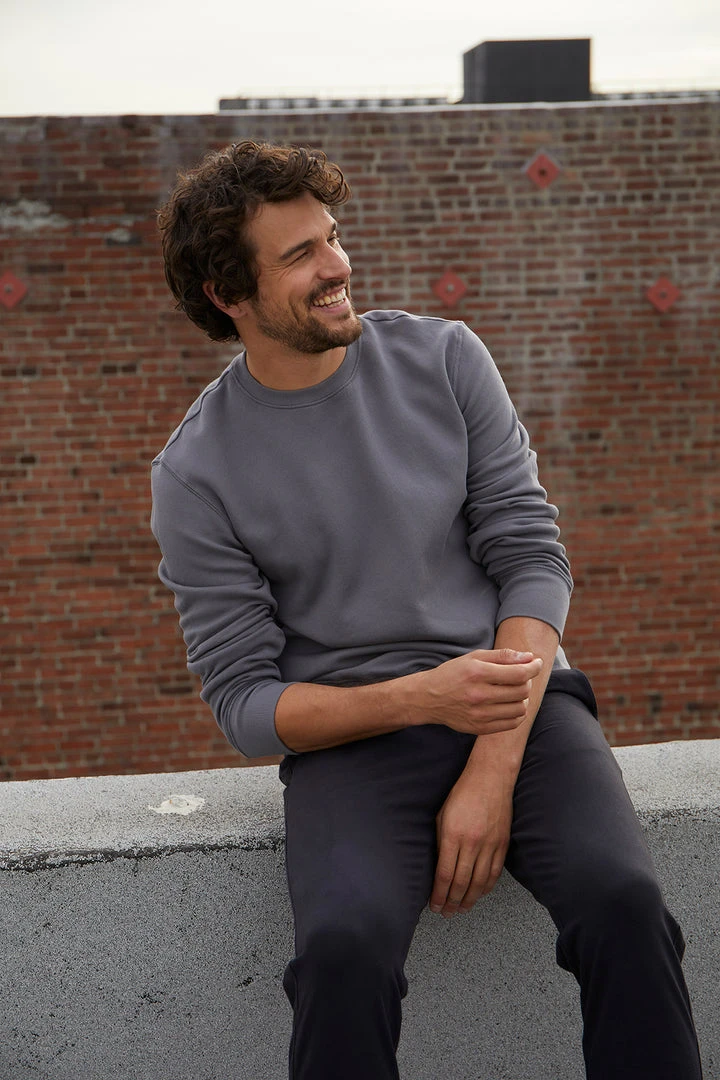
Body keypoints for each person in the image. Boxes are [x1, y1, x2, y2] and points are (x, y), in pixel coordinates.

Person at [152, 140, 702, 1080]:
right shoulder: (195, 472)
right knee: (343, 951)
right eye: (300, 255)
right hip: (355, 743)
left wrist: (490, 764)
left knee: (624, 903)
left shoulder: (444, 357)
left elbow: (531, 555)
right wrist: (421, 699)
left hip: (518, 700)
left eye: (333, 237)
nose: (337, 266)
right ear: (227, 293)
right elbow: (246, 706)